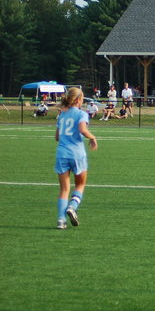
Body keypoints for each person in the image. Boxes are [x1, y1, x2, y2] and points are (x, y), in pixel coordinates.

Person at [54, 87, 98, 229]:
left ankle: (61, 220)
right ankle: (72, 206)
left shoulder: (62, 115)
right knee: (80, 184)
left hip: (62, 154)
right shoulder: (81, 114)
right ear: (79, 99)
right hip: (77, 154)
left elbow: (57, 137)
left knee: (64, 189)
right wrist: (93, 137)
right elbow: (82, 129)